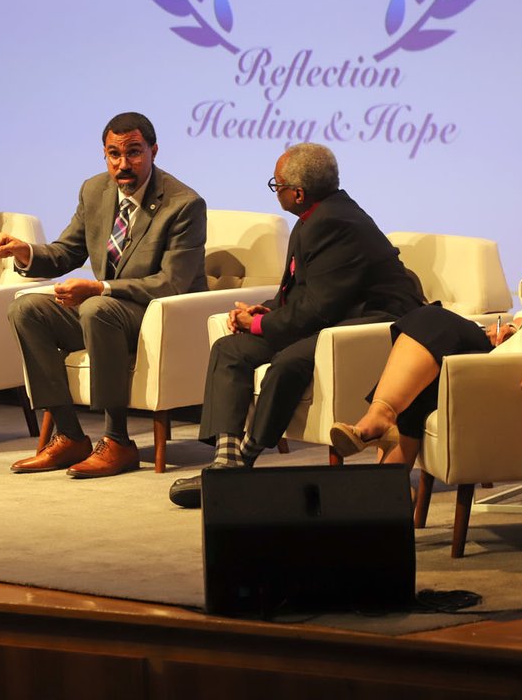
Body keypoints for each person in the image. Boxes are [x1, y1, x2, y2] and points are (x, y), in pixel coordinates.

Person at [328, 144, 522, 465]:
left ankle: (377, 417)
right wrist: (513, 326)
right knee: (420, 388)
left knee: (430, 319)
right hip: (515, 351)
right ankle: (390, 491)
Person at [170, 143, 423, 507]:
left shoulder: (335, 222)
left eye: (277, 186)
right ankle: (225, 462)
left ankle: (244, 461)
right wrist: (265, 311)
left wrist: (260, 324)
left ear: (298, 193)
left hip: (367, 323)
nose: (277, 193)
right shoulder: (316, 217)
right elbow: (308, 291)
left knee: (289, 361)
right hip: (331, 316)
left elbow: (319, 308)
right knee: (230, 349)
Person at [0, 111, 207, 478]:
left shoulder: (183, 204)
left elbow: (171, 283)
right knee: (27, 309)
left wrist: (99, 287)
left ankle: (118, 440)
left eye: (134, 153)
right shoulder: (95, 191)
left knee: (96, 309)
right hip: (105, 312)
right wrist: (25, 251)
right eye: (114, 154)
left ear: (154, 151)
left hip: (157, 317)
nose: (124, 164)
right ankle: (70, 436)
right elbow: (67, 251)